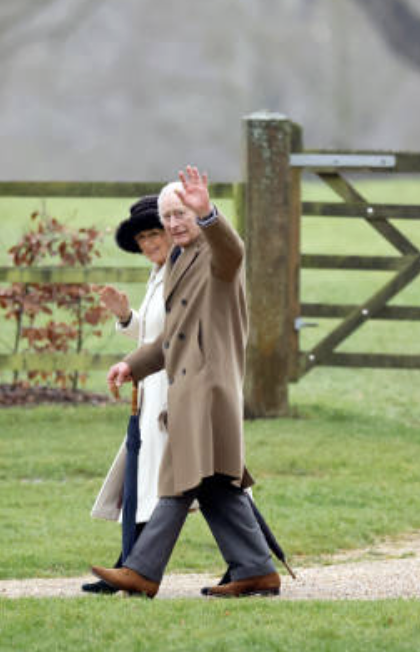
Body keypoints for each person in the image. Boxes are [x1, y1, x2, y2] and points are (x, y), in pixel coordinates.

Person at [91, 165, 280, 599]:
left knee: (179, 478)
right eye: (169, 216)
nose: (175, 223)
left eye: (182, 214)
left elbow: (233, 250)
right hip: (189, 385)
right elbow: (173, 336)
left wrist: (209, 212)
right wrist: (132, 365)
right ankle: (255, 570)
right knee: (215, 483)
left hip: (208, 387)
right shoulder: (178, 260)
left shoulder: (215, 255)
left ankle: (142, 572)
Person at [82, 195, 172, 594]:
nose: (150, 243)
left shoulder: (182, 271)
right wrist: (124, 317)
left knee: (216, 486)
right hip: (153, 388)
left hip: (178, 392)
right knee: (149, 482)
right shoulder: (159, 273)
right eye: (143, 237)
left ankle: (251, 562)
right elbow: (154, 334)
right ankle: (129, 566)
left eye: (156, 233)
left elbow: (177, 338)